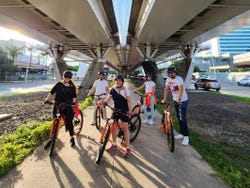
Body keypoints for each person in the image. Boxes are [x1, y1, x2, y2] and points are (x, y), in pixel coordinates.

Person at [101, 74, 133, 158]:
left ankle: (128, 147)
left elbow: (129, 101)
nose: (118, 82)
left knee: (125, 129)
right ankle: (114, 144)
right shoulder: (112, 90)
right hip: (115, 110)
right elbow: (108, 98)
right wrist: (103, 102)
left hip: (124, 111)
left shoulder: (126, 90)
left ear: (122, 82)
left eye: (120, 81)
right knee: (113, 128)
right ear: (115, 81)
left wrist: (130, 110)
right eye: (117, 81)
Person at [44, 70, 78, 147]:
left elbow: (74, 97)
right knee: (54, 121)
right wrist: (47, 99)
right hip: (58, 105)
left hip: (67, 106)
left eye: (69, 77)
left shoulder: (72, 87)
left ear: (70, 78)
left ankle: (72, 137)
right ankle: (51, 139)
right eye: (66, 77)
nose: (67, 78)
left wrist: (73, 102)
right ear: (63, 76)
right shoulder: (59, 84)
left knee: (69, 122)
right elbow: (51, 92)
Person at [162, 67, 189, 146]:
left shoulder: (179, 79)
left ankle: (186, 136)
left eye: (172, 72)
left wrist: (180, 99)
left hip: (182, 100)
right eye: (169, 73)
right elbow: (166, 89)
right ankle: (182, 133)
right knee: (178, 117)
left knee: (182, 118)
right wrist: (164, 99)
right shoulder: (168, 79)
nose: (171, 74)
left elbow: (181, 88)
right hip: (175, 100)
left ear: (175, 73)